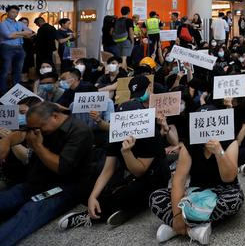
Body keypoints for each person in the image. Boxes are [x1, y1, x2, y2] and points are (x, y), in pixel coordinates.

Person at [58, 98, 169, 230]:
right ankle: (125, 206)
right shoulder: (116, 134)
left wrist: (126, 152)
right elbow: (107, 170)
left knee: (131, 192)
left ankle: (90, 215)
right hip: (130, 177)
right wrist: (93, 197)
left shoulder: (152, 134)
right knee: (84, 188)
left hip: (154, 178)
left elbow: (139, 171)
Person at [0, 102, 93, 246]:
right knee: (6, 199)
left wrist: (37, 146)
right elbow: (22, 134)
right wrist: (7, 141)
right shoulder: (40, 125)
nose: (36, 132)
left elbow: (61, 167)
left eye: (39, 128)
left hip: (64, 188)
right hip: (37, 182)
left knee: (30, 210)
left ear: (55, 117)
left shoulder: (79, 131)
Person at [151, 108, 244, 245]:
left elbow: (229, 177)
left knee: (234, 199)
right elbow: (178, 181)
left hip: (223, 191)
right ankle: (192, 226)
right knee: (156, 197)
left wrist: (219, 152)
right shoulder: (190, 146)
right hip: (196, 193)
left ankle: (180, 226)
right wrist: (176, 216)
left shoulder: (230, 141)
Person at [0, 5, 34, 94]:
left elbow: (30, 32)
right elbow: (8, 36)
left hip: (20, 48)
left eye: (16, 12)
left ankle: (16, 92)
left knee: (18, 72)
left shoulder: (20, 23)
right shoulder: (3, 24)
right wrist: (23, 33)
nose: (15, 14)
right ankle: (2, 92)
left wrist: (16, 34)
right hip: (7, 48)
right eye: (13, 12)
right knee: (5, 71)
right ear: (7, 13)